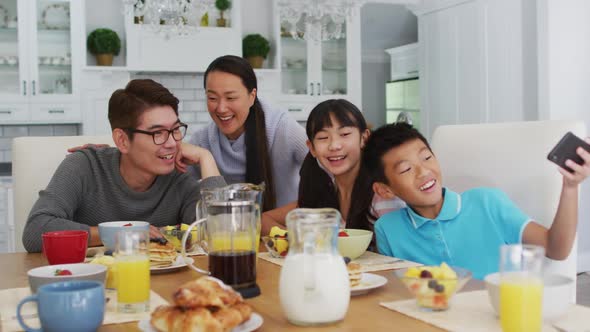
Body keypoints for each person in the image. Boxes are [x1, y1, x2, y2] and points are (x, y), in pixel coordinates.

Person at [363, 123, 590, 279]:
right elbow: (397, 292)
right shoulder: (388, 228)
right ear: (384, 190)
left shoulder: (487, 203)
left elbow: (556, 249)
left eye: (427, 157)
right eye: (406, 169)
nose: (424, 172)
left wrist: (570, 187)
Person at [22, 79, 226, 253]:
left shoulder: (179, 178)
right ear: (122, 140)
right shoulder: (84, 166)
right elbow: (35, 231)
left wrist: (205, 156)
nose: (172, 142)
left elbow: (222, 236)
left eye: (175, 130)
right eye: (158, 133)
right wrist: (122, 233)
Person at [262, 99, 405, 235]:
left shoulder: (382, 194)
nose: (334, 145)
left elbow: (400, 253)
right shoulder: (324, 192)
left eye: (345, 134)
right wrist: (297, 240)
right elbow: (262, 221)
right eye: (323, 138)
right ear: (311, 148)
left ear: (364, 138)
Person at [184, 55, 308, 211]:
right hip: (231, 232)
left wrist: (274, 218)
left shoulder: (282, 128)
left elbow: (325, 172)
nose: (221, 108)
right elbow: (181, 193)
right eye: (212, 97)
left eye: (231, 97)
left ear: (252, 96)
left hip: (285, 229)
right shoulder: (202, 141)